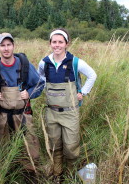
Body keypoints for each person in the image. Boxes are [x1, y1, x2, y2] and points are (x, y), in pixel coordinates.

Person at [38, 28, 97, 182]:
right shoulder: (44, 63)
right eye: (54, 42)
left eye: (60, 42)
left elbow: (92, 75)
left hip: (70, 112)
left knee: (71, 148)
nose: (57, 45)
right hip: (51, 112)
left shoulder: (75, 62)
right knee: (55, 146)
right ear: (50, 43)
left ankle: (70, 175)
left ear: (66, 43)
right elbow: (41, 80)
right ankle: (58, 175)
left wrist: (83, 92)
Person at [0, 33, 45, 180]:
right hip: (1, 116)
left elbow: (40, 84)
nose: (6, 48)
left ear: (13, 46)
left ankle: (30, 176)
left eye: (9, 45)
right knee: (2, 150)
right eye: (3, 45)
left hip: (23, 114)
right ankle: (5, 175)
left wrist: (29, 93)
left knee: (31, 150)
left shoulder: (24, 64)